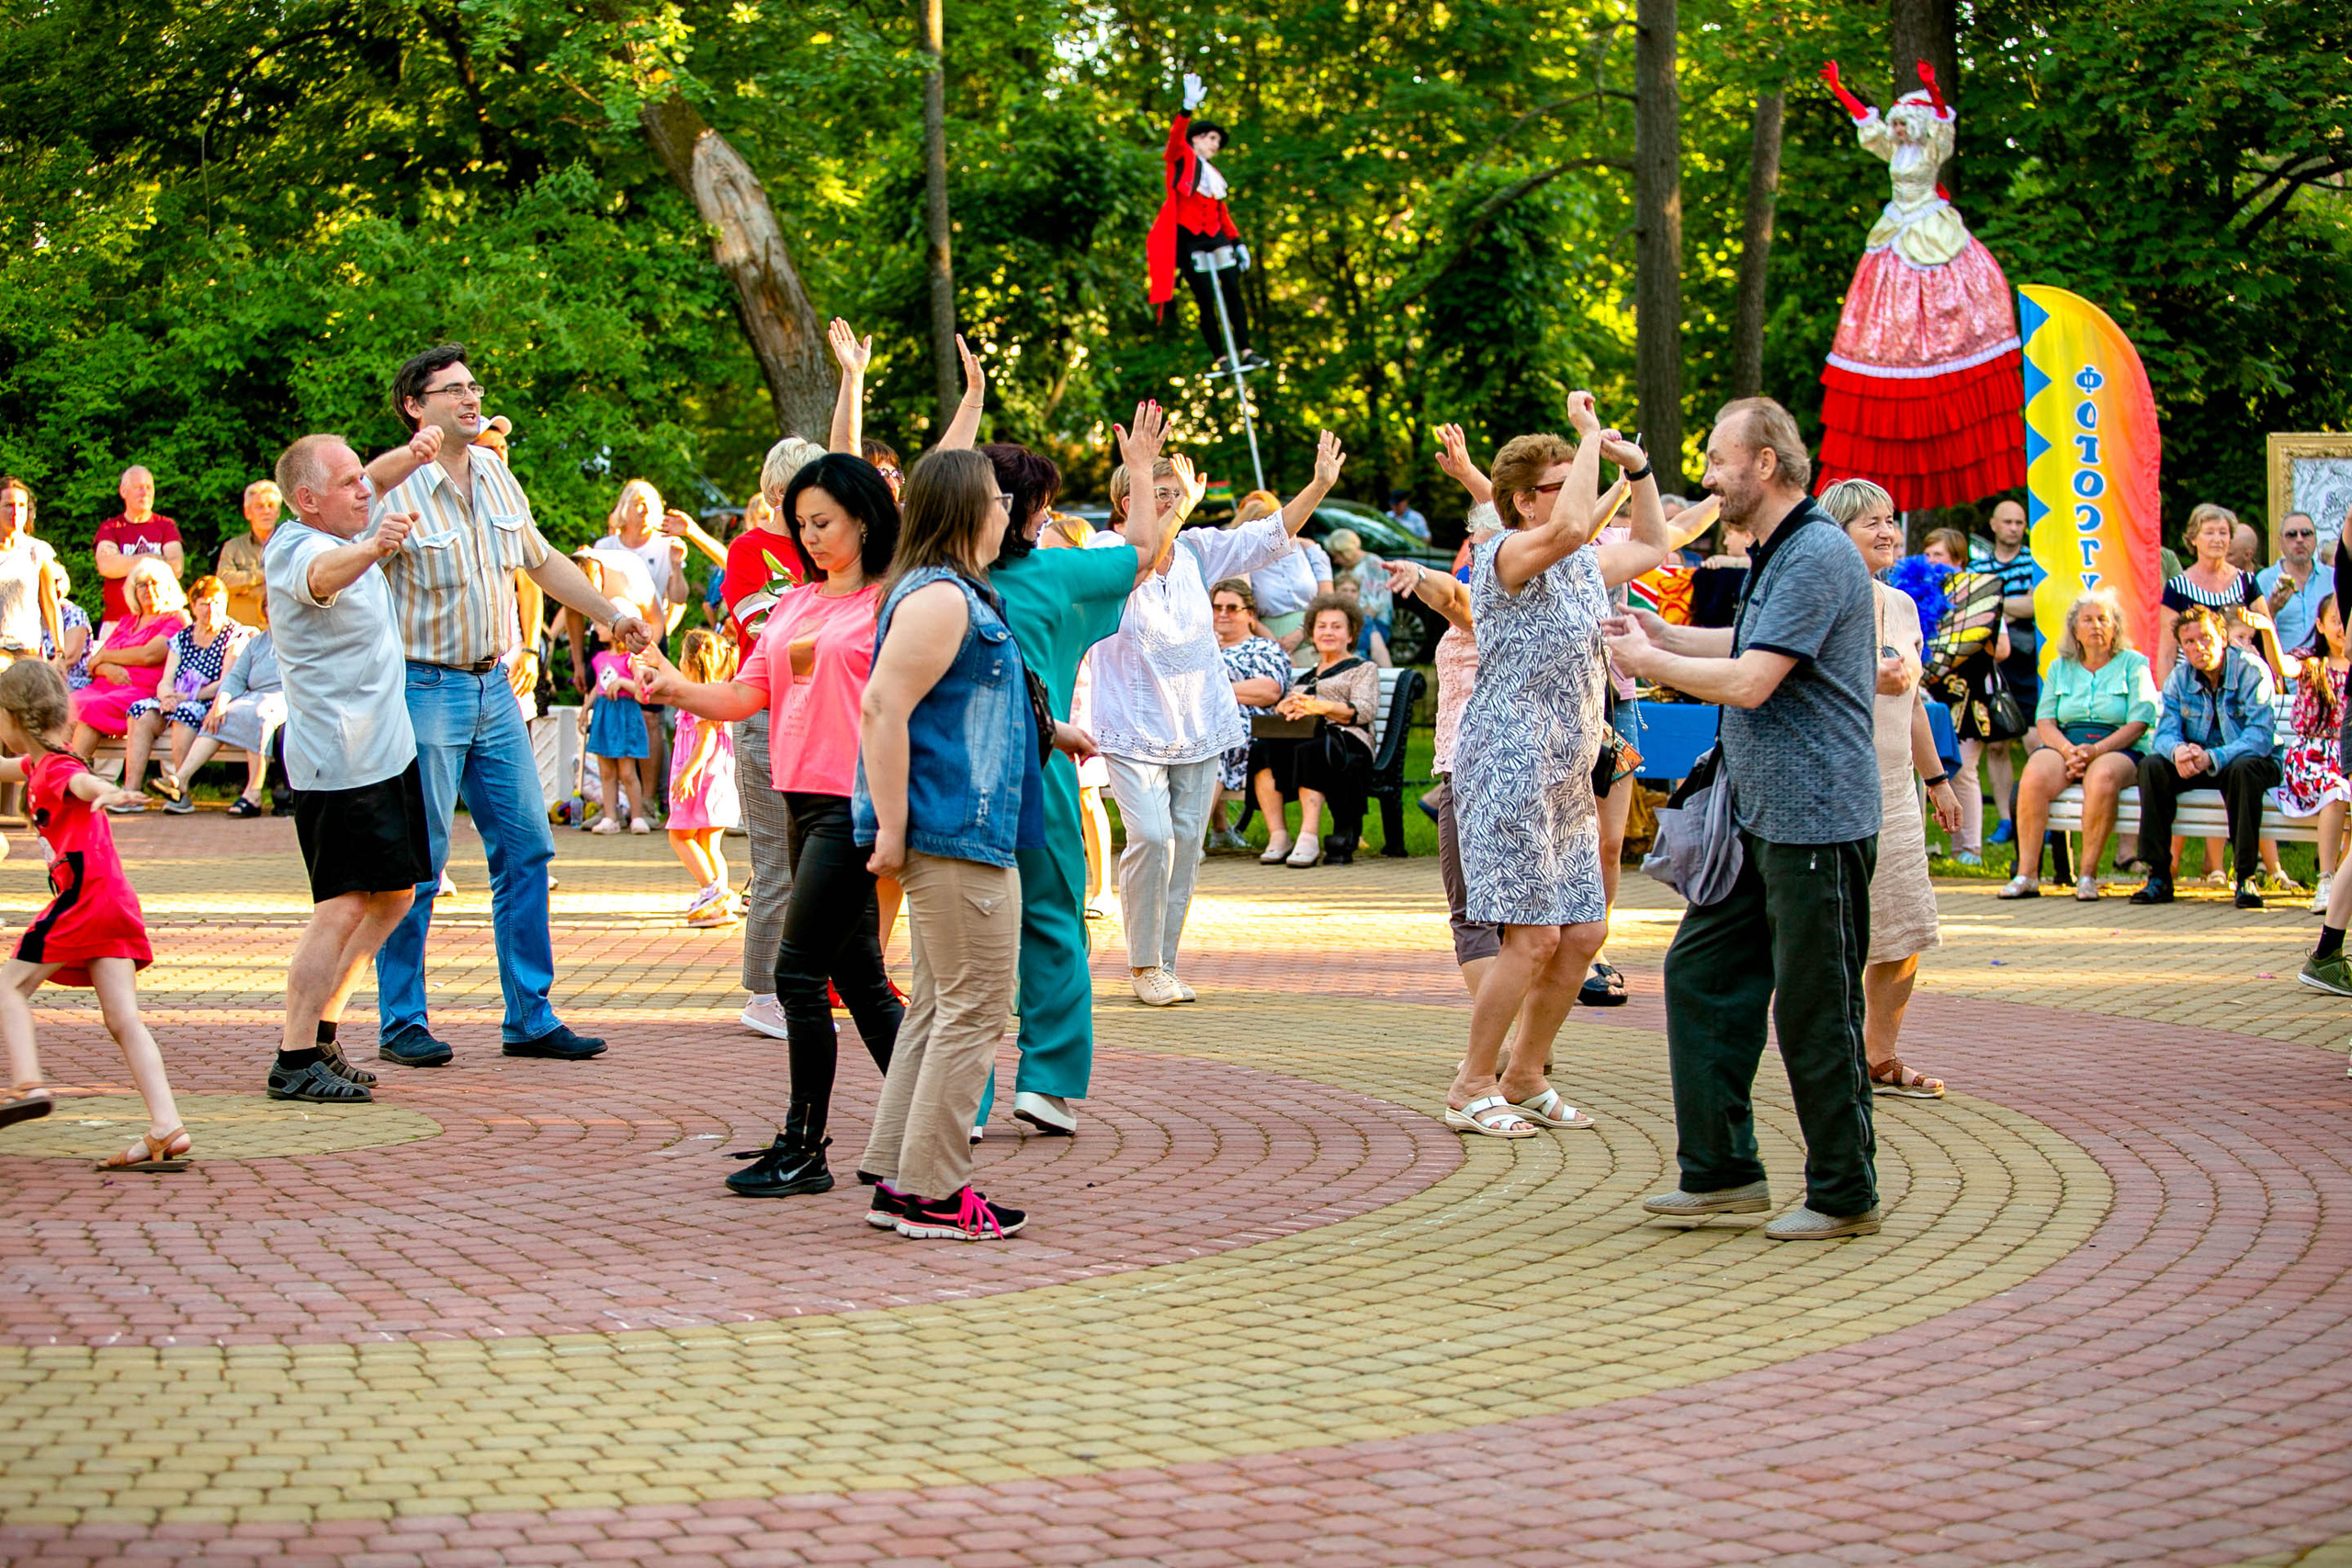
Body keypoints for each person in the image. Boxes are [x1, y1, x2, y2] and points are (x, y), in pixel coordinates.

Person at [1601, 397, 1883, 1241]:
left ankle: (1844, 1194)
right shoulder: (1778, 551)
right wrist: (1668, 633)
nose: (1710, 475)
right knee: (1700, 975)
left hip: (1818, 824)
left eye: (1720, 459)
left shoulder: (1814, 554)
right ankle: (1722, 1175)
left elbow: (1757, 679)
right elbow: (1747, 644)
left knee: (1815, 1008)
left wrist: (1650, 661)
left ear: (1766, 463)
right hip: (1761, 820)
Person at [368, 343, 655, 1068]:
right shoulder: (393, 488)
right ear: (415, 406)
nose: (471, 399)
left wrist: (611, 611)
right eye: (452, 390)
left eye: (474, 387)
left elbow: (542, 559)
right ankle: (402, 1019)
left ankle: (530, 1015)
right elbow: (334, 552)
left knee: (527, 848)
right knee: (421, 862)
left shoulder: (496, 473)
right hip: (421, 686)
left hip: (495, 689)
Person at [635, 453, 906, 1198]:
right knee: (861, 977)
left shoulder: (893, 601)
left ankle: (804, 1146)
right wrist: (673, 684)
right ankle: (925, 1124)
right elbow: (746, 693)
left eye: (823, 522)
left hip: (852, 806)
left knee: (797, 972)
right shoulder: (795, 603)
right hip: (796, 800)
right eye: (801, 524)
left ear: (864, 517)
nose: (810, 536)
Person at [854, 448, 1090, 1240]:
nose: (1009, 511)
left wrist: (1055, 732)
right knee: (976, 1007)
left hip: (962, 825)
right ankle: (932, 1190)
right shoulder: (941, 597)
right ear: (964, 509)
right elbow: (884, 708)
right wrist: (888, 828)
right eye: (996, 499)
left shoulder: (949, 592)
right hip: (954, 832)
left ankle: (901, 1172)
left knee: (943, 1004)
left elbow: (961, 707)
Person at [1445, 400, 1663, 1141]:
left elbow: (1657, 543)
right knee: (1532, 936)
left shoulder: (1582, 564)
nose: (1574, 489)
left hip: (1568, 768)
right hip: (1507, 762)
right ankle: (1471, 1084)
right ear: (1519, 499)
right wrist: (1590, 435)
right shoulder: (1504, 552)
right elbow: (1570, 523)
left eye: (1578, 478)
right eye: (1559, 480)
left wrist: (1640, 470)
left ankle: (1528, 1075)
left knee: (1583, 932)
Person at [967, 414, 1177, 1139]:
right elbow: (1145, 552)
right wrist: (1141, 468)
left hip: (951, 778)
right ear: (1028, 512)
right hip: (1040, 771)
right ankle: (1048, 1085)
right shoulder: (1058, 575)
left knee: (962, 939)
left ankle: (961, 1094)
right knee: (1053, 921)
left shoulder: (934, 578)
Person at [1091, 431, 1345, 1006]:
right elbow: (1140, 560)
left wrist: (1319, 486)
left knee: (1186, 842)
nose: (1167, 502)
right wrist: (1177, 512)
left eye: (1173, 493)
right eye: (1156, 492)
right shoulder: (1104, 551)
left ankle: (1162, 964)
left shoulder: (1199, 548)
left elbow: (1271, 534)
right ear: (1125, 499)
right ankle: (1142, 962)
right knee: (1152, 839)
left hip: (1198, 720)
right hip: (1131, 722)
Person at [263, 431, 439, 1106]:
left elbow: (377, 476)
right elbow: (321, 579)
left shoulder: (339, 518)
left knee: (395, 894)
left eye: (362, 479)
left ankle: (324, 1032)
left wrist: (419, 450)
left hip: (384, 752)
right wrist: (374, 546)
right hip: (339, 764)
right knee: (339, 905)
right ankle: (293, 1056)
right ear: (307, 500)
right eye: (347, 483)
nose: (364, 488)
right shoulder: (296, 549)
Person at [0, 660, 189, 1168]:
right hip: (115, 903)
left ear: (15, 719)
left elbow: (82, 785)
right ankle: (166, 1125)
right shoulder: (38, 766)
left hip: (82, 899)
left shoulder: (61, 769)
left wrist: (107, 791)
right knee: (123, 1019)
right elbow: (10, 769)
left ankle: (27, 1084)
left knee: (6, 987)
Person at [1826, 479, 1964, 1100]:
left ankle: (1880, 1056)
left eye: (1889, 519)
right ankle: (1836, 1060)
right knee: (1841, 933)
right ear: (1838, 533)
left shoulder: (1904, 606)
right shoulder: (1820, 599)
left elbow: (1910, 706)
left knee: (1905, 929)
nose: (1887, 531)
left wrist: (1938, 780)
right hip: (1835, 787)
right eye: (1869, 523)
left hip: (1897, 788)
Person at [718, 440, 823, 1039]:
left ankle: (802, 980)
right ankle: (764, 991)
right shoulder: (751, 549)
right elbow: (763, 630)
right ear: (782, 494)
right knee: (775, 859)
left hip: (819, 718)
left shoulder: (823, 552)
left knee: (816, 858)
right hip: (766, 714)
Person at [2003, 589, 2160, 900]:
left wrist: (2096, 751)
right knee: (2034, 772)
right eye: (2087, 620)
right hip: (2068, 745)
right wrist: (2068, 752)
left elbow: (2140, 721)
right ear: (2074, 629)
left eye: (2104, 619)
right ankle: (2027, 874)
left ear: (2115, 627)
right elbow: (2045, 720)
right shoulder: (2060, 667)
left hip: (2118, 747)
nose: (2096, 626)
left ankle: (2087, 876)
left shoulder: (2134, 663)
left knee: (2102, 775)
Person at [2127, 605, 2280, 908]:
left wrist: (2213, 756)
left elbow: (2260, 736)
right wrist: (2179, 751)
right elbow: (2166, 732)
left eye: (2207, 638)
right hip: (2198, 761)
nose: (2200, 648)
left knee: (2243, 769)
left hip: (2249, 761)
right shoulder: (2179, 679)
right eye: (2190, 642)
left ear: (2223, 637)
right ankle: (2158, 875)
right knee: (2152, 766)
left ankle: (2246, 877)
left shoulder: (2252, 670)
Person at [1250, 592, 1377, 867]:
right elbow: (1293, 707)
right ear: (1312, 633)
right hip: (1304, 739)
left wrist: (1319, 707)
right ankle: (1279, 836)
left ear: (1351, 634)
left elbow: (1363, 711)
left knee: (1313, 750)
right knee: (1261, 750)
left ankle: (1308, 837)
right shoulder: (1307, 675)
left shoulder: (1363, 669)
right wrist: (1285, 707)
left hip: (1347, 742)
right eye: (1321, 626)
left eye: (1336, 626)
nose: (1328, 632)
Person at [1148, 73, 1263, 370]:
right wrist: (1186, 108)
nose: (1215, 145)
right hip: (1189, 238)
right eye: (1212, 138)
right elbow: (1174, 140)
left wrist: (1238, 243)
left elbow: (1222, 214)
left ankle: (1246, 350)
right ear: (1197, 138)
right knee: (1205, 300)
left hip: (1216, 237)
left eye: (1218, 142)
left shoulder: (1214, 177)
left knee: (1234, 292)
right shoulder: (1181, 159)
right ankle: (1221, 357)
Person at [1918, 527, 2015, 865]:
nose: (1932, 562)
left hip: (1969, 697)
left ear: (1958, 560)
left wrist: (1964, 645)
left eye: (1939, 555)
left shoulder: (1979, 594)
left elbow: (2002, 648)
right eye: (1928, 554)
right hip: (1929, 693)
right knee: (1935, 769)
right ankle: (1943, 846)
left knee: (1963, 771)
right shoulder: (1915, 591)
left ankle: (1969, 848)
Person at [116, 576, 251, 811]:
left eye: (217, 603)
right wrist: (166, 696)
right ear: (193, 606)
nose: (211, 609)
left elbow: (226, 682)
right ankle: (132, 791)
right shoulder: (181, 637)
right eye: (204, 604)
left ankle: (180, 793)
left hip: (210, 702)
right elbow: (166, 679)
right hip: (178, 699)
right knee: (140, 711)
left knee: (185, 712)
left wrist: (186, 698)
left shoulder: (234, 635)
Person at [1971, 498, 2044, 851]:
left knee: (2035, 741)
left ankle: (2039, 817)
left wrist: (1994, 602)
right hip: (1992, 662)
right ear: (1994, 525)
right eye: (2008, 522)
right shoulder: (1977, 562)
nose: (2014, 528)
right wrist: (2010, 605)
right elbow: (1971, 605)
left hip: (2027, 662)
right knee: (1997, 744)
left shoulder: (2034, 561)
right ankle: (2006, 819)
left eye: (2020, 522)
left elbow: (2035, 605)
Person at [157, 621, 285, 818]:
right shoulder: (257, 642)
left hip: (285, 697)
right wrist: (220, 703)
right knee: (220, 715)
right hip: (252, 696)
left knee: (259, 715)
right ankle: (180, 779)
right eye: (270, 607)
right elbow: (235, 678)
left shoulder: (302, 639)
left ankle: (253, 793)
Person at [2273, 593, 2350, 913]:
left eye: (2346, 619)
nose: (2342, 627)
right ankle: (2326, 879)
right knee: (2336, 792)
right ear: (2320, 624)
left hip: (2346, 755)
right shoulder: (2310, 661)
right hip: (2311, 756)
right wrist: (2267, 628)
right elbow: (2282, 666)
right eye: (2335, 619)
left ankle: (2343, 887)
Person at [69, 558, 187, 762]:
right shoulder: (127, 621)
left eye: (154, 583)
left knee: (92, 709)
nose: (148, 589)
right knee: (66, 705)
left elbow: (149, 655)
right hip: (103, 688)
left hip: (140, 691)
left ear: (168, 586)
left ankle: (70, 776)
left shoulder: (175, 618)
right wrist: (107, 669)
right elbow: (92, 664)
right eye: (141, 584)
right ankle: (53, 774)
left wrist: (105, 657)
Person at [664, 628, 742, 927]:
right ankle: (720, 904)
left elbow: (706, 739)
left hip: (701, 780)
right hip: (717, 778)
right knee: (709, 844)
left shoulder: (700, 696)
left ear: (689, 661)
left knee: (680, 835)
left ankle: (711, 891)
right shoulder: (716, 690)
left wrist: (686, 773)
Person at [1207, 577, 1289, 852]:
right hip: (1200, 727)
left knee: (1214, 743)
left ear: (1250, 615)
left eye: (1232, 608)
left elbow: (1269, 690)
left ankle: (1187, 842)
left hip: (1249, 736)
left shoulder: (1264, 649)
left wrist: (1214, 691)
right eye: (1217, 607)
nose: (1222, 614)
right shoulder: (1199, 648)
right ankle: (1214, 831)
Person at [2158, 503, 2265, 681]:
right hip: (2190, 684)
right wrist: (2166, 697)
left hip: (2238, 682)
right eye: (2209, 532)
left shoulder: (2246, 582)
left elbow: (2267, 633)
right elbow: (2167, 653)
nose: (2217, 539)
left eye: (2223, 533)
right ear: (2193, 539)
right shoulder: (2177, 587)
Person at [1239, 489, 1334, 651]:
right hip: (1272, 640)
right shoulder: (1244, 559)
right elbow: (1245, 611)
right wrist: (1277, 648)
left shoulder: (1308, 549)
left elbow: (1327, 597)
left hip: (1315, 632)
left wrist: (1301, 632)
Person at [93, 466, 184, 628]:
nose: (145, 493)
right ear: (123, 491)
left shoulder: (166, 526)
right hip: (117, 622)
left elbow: (176, 567)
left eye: (149, 487)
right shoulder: (110, 527)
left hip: (161, 622)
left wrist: (124, 562)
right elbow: (106, 566)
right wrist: (153, 559)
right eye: (138, 487)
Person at [582, 626, 652, 835]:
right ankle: (610, 817)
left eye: (601, 626)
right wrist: (587, 707)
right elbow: (598, 685)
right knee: (606, 771)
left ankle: (637, 816)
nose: (597, 631)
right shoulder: (599, 658)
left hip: (625, 714)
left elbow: (641, 688)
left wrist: (622, 682)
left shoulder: (631, 659)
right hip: (605, 715)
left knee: (627, 771)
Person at [0, 476, 62, 666]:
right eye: (8, 505)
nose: (16, 512)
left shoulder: (37, 550)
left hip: (27, 649)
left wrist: (60, 652)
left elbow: (50, 603)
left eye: (21, 506)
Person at [2259, 513, 2328, 662]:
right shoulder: (2263, 580)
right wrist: (2272, 610)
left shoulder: (2333, 578)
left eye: (2306, 534)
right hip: (2284, 674)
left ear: (2316, 539)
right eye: (2291, 535)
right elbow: (2252, 635)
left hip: (2327, 674)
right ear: (2280, 543)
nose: (2299, 540)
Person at [215, 480, 281, 630]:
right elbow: (223, 583)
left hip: (283, 632)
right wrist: (263, 575)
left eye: (271, 506)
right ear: (247, 513)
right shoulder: (233, 547)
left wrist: (244, 587)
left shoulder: (291, 544)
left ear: (278, 512)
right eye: (259, 507)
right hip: (241, 633)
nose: (266, 511)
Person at [1324, 528, 1393, 666]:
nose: (1336, 561)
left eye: (1336, 555)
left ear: (1346, 552)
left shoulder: (1373, 563)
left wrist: (1354, 622)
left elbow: (1376, 603)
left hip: (1373, 623)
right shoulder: (1348, 569)